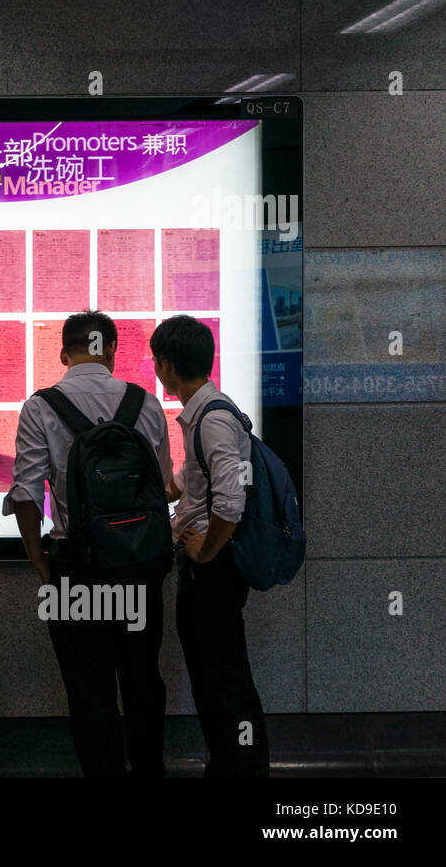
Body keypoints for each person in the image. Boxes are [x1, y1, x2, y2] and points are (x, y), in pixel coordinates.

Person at [5, 311, 174, 777]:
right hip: (138, 569)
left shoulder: (40, 406)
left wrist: (40, 561)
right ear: (113, 350)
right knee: (141, 677)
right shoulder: (146, 403)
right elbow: (161, 486)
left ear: (64, 353)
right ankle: (148, 771)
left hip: (74, 569)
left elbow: (25, 493)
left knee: (88, 686)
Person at [151, 314, 269, 778]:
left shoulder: (212, 417)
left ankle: (241, 768)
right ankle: (229, 762)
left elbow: (231, 499)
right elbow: (188, 484)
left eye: (157, 359)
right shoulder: (205, 412)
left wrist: (207, 550)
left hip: (213, 572)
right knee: (213, 673)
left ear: (167, 365)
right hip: (208, 570)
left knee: (223, 677)